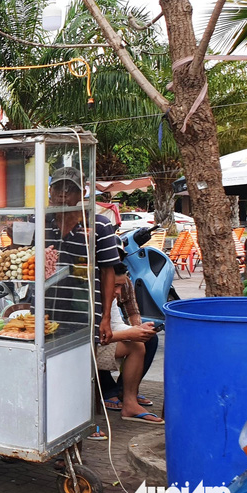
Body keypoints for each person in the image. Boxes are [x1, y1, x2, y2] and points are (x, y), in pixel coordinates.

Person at [45, 166, 120, 342]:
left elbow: (108, 272)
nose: (63, 194)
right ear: (50, 191)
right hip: (44, 312)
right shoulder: (39, 222)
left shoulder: (99, 225)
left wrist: (106, 318)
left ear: (82, 193)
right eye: (58, 188)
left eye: (70, 189)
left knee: (83, 365)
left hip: (84, 313)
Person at [93, 263, 163, 425]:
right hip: (86, 347)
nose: (118, 292)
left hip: (102, 342)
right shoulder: (90, 298)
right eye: (115, 286)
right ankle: (126, 399)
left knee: (144, 339)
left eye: (120, 287)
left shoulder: (111, 298)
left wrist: (137, 330)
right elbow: (93, 337)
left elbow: (117, 324)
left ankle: (128, 397)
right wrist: (128, 334)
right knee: (136, 345)